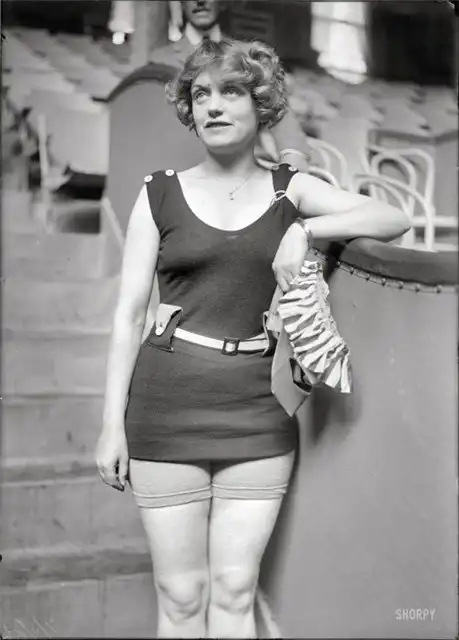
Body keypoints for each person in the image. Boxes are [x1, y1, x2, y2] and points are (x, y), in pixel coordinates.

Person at [95, 38, 410, 639]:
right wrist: (112, 425)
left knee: (236, 591)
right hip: (165, 406)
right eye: (200, 95)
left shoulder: (291, 188)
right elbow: (128, 315)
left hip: (259, 411)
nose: (212, 105)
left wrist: (306, 230)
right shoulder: (158, 191)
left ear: (260, 103)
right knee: (181, 596)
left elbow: (393, 219)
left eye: (231, 91)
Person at [151, 0, 312, 173]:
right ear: (182, 4)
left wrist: (291, 163)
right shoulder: (160, 60)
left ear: (222, 3)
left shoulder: (248, 55)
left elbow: (282, 117)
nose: (200, 2)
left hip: (243, 169)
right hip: (180, 165)